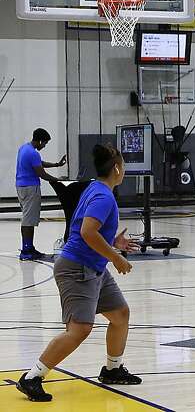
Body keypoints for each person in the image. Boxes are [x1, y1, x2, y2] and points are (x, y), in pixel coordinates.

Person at [16, 144, 142, 402]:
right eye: (124, 165)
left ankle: (112, 369)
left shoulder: (96, 188)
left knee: (120, 314)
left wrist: (112, 241)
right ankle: (32, 378)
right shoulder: (103, 196)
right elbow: (86, 231)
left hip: (93, 266)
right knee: (80, 329)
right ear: (117, 168)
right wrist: (115, 256)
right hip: (77, 268)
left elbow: (91, 229)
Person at [16, 128, 67, 260]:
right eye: (44, 143)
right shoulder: (33, 153)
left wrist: (56, 165)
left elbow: (39, 164)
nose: (44, 146)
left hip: (21, 187)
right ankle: (26, 252)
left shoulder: (24, 148)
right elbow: (41, 173)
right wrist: (59, 181)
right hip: (30, 188)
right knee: (28, 220)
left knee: (29, 219)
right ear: (39, 140)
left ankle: (29, 247)